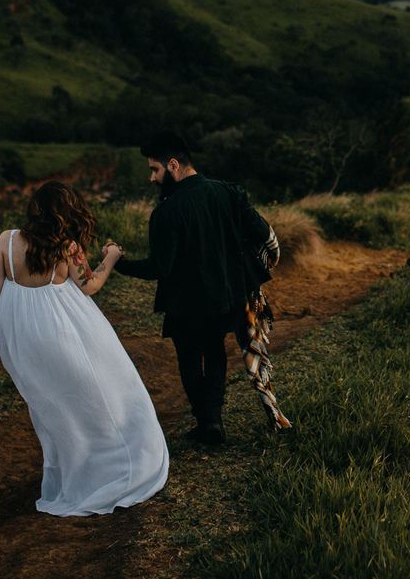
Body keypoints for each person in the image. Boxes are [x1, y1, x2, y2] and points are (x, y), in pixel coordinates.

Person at [0, 181, 169, 517]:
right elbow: (90, 285)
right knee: (101, 395)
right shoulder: (67, 247)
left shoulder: (5, 240)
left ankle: (70, 472)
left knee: (52, 407)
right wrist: (112, 256)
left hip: (20, 338)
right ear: (67, 213)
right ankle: (111, 468)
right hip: (60, 334)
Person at [113, 131, 283, 445]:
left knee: (190, 360)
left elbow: (159, 268)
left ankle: (206, 422)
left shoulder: (166, 212)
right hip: (227, 299)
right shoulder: (230, 192)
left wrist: (119, 263)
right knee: (215, 351)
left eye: (154, 170)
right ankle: (213, 421)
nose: (152, 178)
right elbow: (261, 232)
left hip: (185, 306)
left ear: (173, 165)